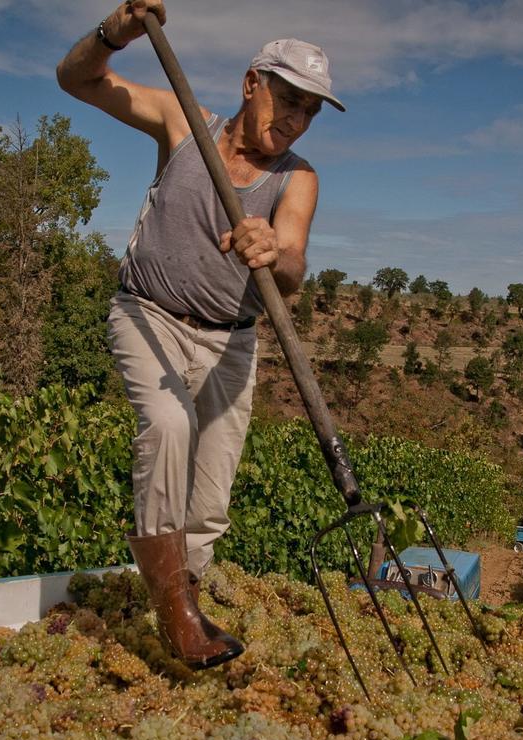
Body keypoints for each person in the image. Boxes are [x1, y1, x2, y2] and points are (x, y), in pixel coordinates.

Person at [57, 1, 344, 668]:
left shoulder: (298, 179)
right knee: (167, 425)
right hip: (148, 314)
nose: (295, 119)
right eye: (288, 99)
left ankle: (180, 597)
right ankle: (177, 619)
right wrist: (113, 34)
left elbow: (295, 266)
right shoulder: (182, 122)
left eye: (309, 111)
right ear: (252, 84)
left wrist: (273, 246)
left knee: (209, 503)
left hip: (231, 344)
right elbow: (78, 81)